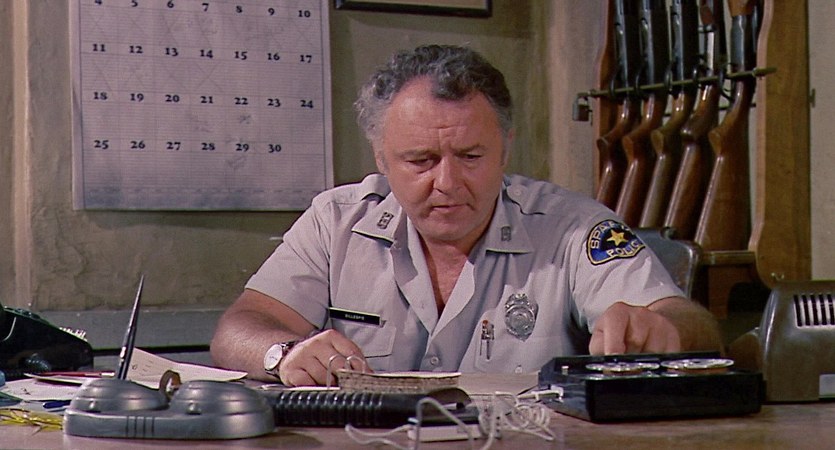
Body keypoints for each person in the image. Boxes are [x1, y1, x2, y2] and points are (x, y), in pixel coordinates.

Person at [210, 44, 722, 386]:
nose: (448, 182)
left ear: (506, 149)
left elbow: (691, 326)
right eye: (421, 160)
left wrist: (665, 331)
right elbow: (238, 329)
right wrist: (283, 354)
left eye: (472, 156)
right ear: (381, 159)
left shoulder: (572, 228)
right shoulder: (335, 222)